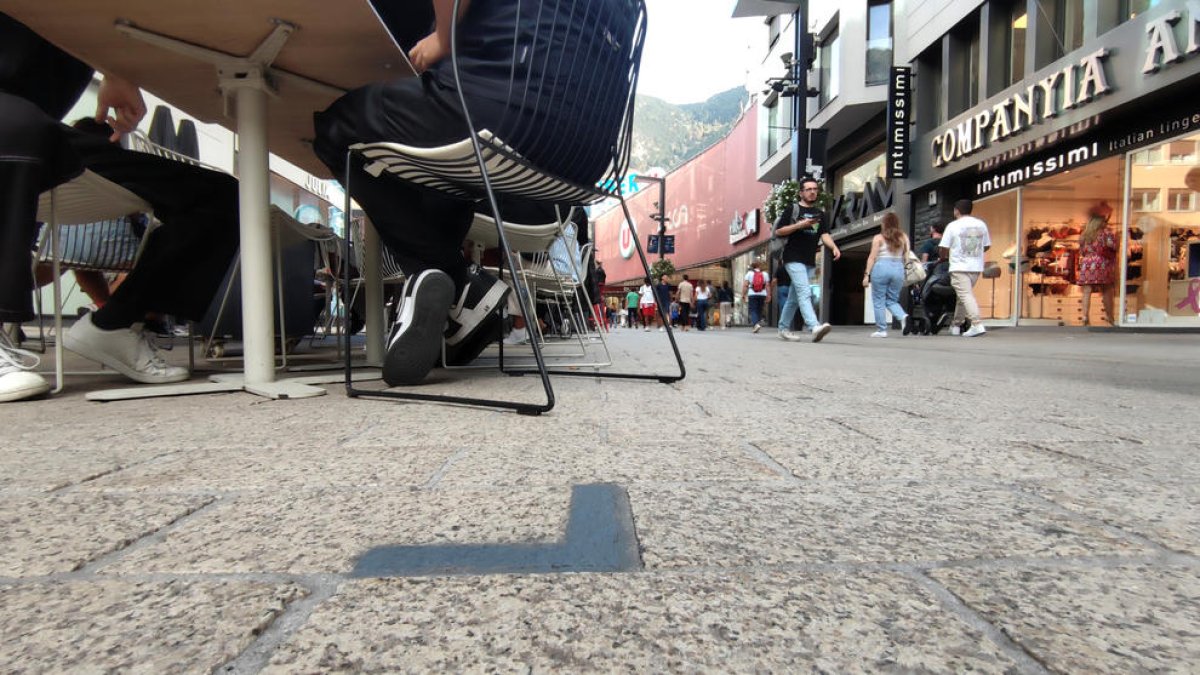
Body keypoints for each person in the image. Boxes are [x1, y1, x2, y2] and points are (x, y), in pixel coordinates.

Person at [313, 0, 637, 386]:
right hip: (589, 159)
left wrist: (442, 38)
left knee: (335, 130)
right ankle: (460, 300)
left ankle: (458, 283)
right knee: (442, 172)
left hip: (499, 118)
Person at [0, 13, 240, 402]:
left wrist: (115, 68)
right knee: (18, 124)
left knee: (221, 198)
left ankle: (113, 323)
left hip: (46, 130)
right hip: (16, 124)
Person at [772, 177, 841, 342]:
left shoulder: (820, 214)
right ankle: (814, 326)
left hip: (809, 259)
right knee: (804, 292)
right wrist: (800, 225)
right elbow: (779, 231)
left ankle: (783, 328)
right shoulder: (792, 209)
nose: (812, 192)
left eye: (815, 189)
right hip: (792, 256)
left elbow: (824, 235)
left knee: (793, 298)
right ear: (801, 192)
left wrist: (834, 247)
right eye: (808, 189)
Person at [939, 198, 991, 337]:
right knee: (962, 296)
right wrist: (976, 253)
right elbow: (986, 245)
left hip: (959, 266)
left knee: (966, 295)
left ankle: (977, 323)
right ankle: (956, 325)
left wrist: (943, 257)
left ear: (956, 210)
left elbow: (943, 247)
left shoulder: (952, 226)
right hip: (975, 266)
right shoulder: (981, 224)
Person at [863, 212, 910, 338]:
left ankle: (882, 329)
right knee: (892, 299)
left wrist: (866, 274)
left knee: (879, 300)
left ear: (884, 224)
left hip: (881, 267)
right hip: (898, 268)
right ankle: (902, 316)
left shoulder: (878, 238)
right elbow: (907, 256)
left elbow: (872, 257)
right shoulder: (903, 237)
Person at [1077, 202, 1118, 326]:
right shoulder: (1106, 233)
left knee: (1087, 291)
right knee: (1106, 290)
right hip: (1102, 263)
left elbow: (1082, 251)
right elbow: (1113, 246)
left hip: (1087, 264)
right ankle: (1110, 317)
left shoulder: (1084, 234)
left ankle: (1084, 316)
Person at [742, 259, 770, 332]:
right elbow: (767, 286)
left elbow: (745, 285)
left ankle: (755, 324)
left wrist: (743, 294)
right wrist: (769, 295)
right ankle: (757, 323)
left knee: (753, 310)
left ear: (752, 266)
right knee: (759, 310)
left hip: (752, 293)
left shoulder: (749, 274)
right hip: (762, 294)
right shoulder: (765, 274)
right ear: (760, 266)